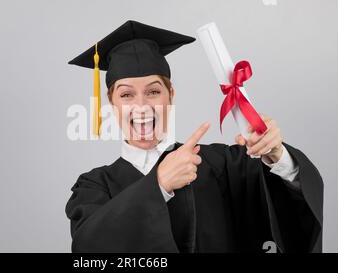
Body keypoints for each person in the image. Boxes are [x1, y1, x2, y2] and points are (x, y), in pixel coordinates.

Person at [65, 20, 323, 253]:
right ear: (111, 104)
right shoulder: (94, 186)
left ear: (171, 96)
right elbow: (89, 248)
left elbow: (289, 214)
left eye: (154, 92)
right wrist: (158, 186)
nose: (141, 105)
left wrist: (278, 156)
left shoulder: (223, 164)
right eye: (126, 94)